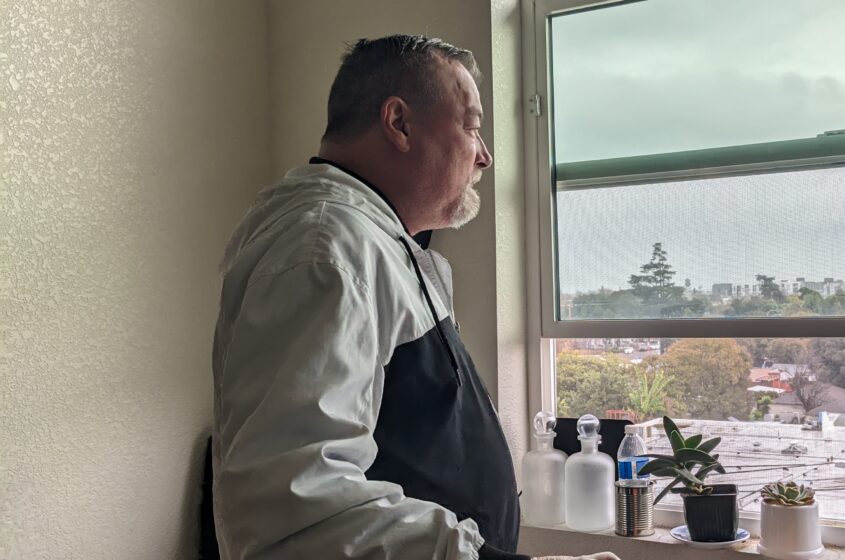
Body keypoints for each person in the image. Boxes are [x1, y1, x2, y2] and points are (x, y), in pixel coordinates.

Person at [211, 34, 619, 560]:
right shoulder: (325, 250)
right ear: (399, 123)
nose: (485, 156)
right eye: (472, 126)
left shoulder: (376, 243)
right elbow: (297, 512)